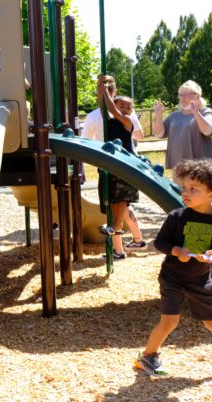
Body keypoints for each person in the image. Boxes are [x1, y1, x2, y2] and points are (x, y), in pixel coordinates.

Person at [135, 159, 212, 376]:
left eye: (193, 189)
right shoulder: (177, 216)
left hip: (200, 280)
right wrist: (177, 251)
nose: (185, 193)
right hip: (172, 278)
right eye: (184, 188)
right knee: (169, 321)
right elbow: (160, 243)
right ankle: (148, 356)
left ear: (210, 194)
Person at [84, 75, 147, 253]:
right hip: (113, 164)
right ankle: (116, 228)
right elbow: (106, 107)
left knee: (123, 198)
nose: (126, 109)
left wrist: (105, 88)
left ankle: (117, 224)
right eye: (122, 106)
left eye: (129, 107)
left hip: (126, 163)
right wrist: (100, 88)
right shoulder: (109, 120)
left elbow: (110, 106)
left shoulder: (127, 123)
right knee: (114, 199)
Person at [153, 80, 212, 175]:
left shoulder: (205, 112)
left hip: (200, 167)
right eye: (180, 95)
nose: (182, 98)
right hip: (178, 166)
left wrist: (196, 113)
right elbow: (158, 134)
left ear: (197, 96)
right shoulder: (174, 115)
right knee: (179, 190)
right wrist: (158, 114)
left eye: (186, 94)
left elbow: (208, 130)